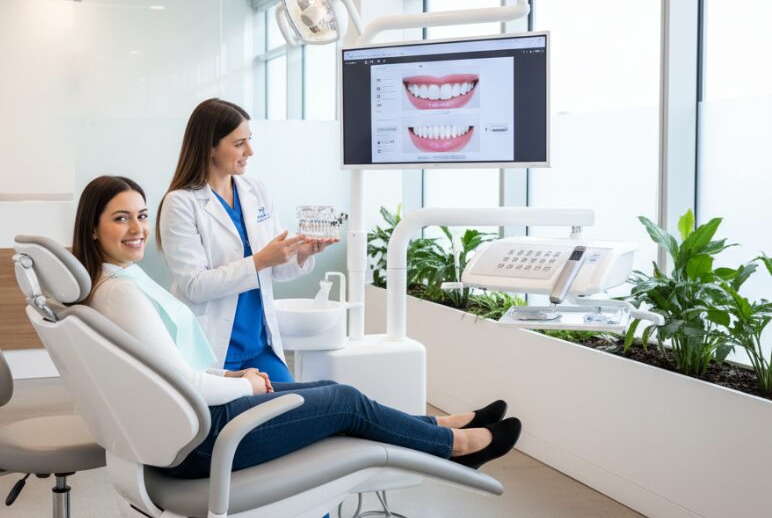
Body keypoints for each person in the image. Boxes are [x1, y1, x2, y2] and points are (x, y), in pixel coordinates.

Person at [72, 175, 522, 480]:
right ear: (93, 228)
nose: (138, 229)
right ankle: (457, 446)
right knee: (343, 402)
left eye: (141, 215)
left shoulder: (118, 280)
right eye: (121, 218)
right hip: (202, 439)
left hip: (194, 424)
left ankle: (437, 426)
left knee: (330, 390)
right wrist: (245, 385)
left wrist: (227, 377)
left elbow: (167, 369)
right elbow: (178, 379)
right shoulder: (119, 291)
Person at [156, 98, 336, 383]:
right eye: (239, 144)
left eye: (248, 141)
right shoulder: (180, 204)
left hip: (258, 345)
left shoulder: (256, 190)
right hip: (213, 348)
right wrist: (261, 260)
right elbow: (194, 286)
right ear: (210, 147)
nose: (249, 151)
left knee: (299, 404)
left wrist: (299, 254)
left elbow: (274, 269)